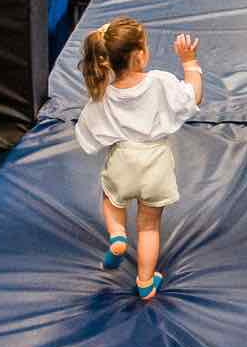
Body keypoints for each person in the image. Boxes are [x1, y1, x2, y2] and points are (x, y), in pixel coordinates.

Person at [74, 17, 204, 301]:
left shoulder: (104, 95)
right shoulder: (159, 82)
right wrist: (189, 63)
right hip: (156, 163)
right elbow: (193, 96)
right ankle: (145, 281)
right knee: (149, 226)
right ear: (139, 56)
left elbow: (86, 133)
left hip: (123, 160)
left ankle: (117, 234)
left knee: (111, 199)